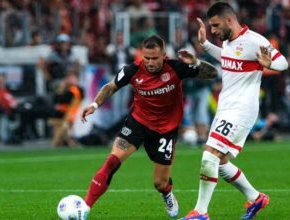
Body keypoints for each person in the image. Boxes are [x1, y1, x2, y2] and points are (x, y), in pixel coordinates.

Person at [80, 35, 218, 218]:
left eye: (154, 58)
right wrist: (94, 105)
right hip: (138, 123)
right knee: (112, 161)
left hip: (165, 130)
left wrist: (197, 63)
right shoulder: (133, 70)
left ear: (163, 55)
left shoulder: (176, 67)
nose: (150, 62)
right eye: (147, 58)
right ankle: (85, 208)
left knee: (160, 183)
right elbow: (111, 86)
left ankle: (167, 193)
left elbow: (213, 74)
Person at [181, 2, 288, 220]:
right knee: (219, 162)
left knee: (209, 156)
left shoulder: (254, 41)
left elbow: (284, 63)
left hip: (241, 110)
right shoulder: (230, 42)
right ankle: (256, 197)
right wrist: (205, 45)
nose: (213, 31)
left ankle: (200, 213)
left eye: (216, 25)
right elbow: (228, 57)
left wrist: (270, 64)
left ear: (229, 20)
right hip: (225, 109)